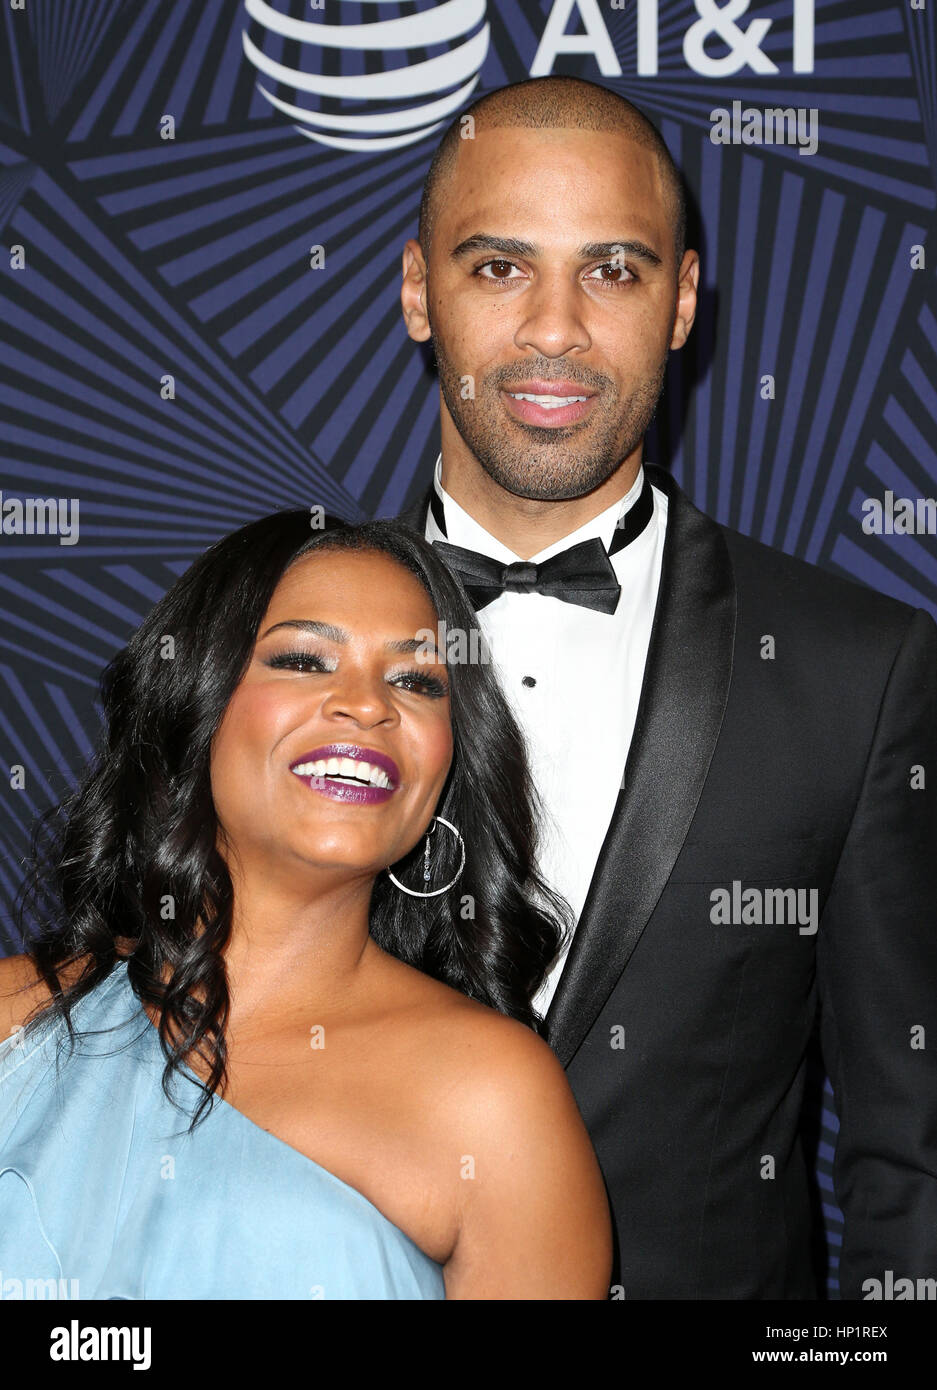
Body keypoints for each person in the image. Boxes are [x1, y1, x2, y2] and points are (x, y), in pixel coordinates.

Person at [397, 75, 937, 1299]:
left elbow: (913, 1152)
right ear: (417, 290)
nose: (552, 329)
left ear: (683, 301)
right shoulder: (276, 651)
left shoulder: (856, 670)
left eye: (614, 270)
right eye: (496, 267)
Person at [0, 512, 612, 1300]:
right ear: (195, 707)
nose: (367, 706)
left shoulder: (495, 1099)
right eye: (302, 659)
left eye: (416, 681)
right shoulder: (16, 1019)